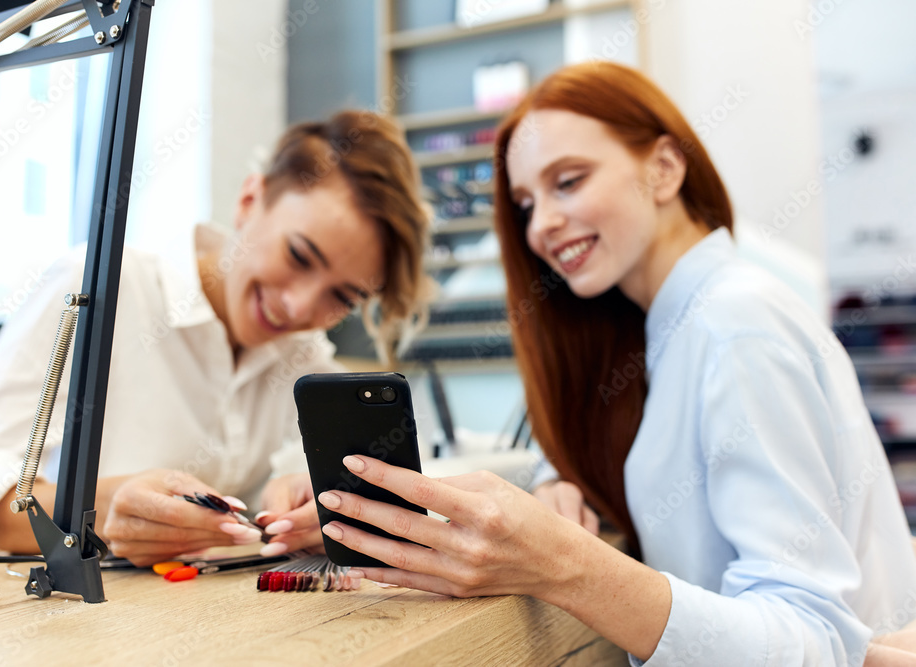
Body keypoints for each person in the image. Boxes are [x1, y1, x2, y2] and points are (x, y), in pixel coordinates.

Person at [308, 63, 916, 666]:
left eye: (568, 181)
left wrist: (567, 565)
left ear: (664, 168)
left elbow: (813, 641)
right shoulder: (666, 331)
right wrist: (555, 479)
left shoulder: (737, 325)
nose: (541, 224)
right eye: (525, 204)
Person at [0, 110, 432, 567]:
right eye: (298, 256)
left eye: (342, 297)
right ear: (250, 200)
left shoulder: (303, 357)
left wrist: (304, 498)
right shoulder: (97, 288)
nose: (301, 307)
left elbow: (283, 481)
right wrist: (95, 509)